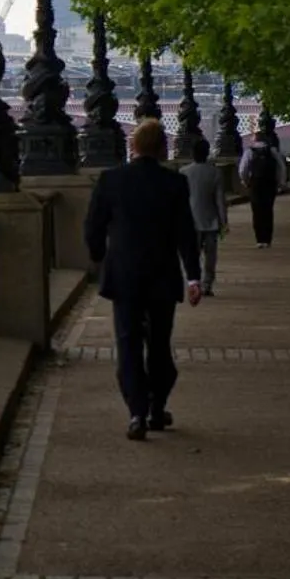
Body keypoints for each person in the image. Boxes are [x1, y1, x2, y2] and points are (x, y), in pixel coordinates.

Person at [85, 117, 201, 440]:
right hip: (162, 276)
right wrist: (193, 277)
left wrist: (98, 257)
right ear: (162, 148)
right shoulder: (174, 183)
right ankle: (156, 407)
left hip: (124, 276)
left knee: (128, 344)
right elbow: (185, 235)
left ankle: (136, 411)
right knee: (160, 345)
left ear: (131, 146)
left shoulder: (110, 180)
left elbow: (93, 227)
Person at [181, 136, 227, 296]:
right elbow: (220, 201)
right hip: (211, 221)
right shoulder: (215, 172)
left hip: (190, 222)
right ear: (207, 153)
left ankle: (194, 282)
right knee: (211, 257)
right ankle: (207, 284)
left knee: (191, 256)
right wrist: (224, 222)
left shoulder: (183, 172)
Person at [240, 134, 282, 247]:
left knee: (257, 211)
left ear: (255, 140)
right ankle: (267, 239)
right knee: (268, 210)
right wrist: (279, 183)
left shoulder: (249, 151)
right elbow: (281, 168)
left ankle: (259, 239)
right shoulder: (272, 151)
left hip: (255, 184)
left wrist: (246, 181)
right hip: (269, 184)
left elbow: (243, 169)